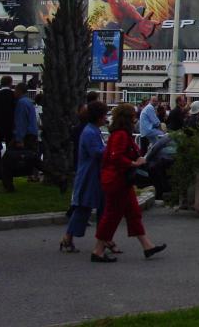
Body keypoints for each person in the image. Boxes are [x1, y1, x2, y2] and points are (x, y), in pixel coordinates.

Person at [92, 103, 166, 263]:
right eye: (133, 116)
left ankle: (147, 246)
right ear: (127, 119)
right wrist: (134, 163)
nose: (136, 119)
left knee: (132, 213)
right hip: (117, 180)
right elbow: (115, 157)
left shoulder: (119, 134)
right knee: (112, 215)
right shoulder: (121, 135)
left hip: (119, 179)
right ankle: (98, 250)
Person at [60, 101, 108, 253]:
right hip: (89, 175)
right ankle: (69, 237)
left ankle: (103, 239)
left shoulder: (93, 130)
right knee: (83, 207)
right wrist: (111, 150)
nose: (105, 118)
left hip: (95, 174)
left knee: (99, 207)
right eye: (104, 115)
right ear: (98, 117)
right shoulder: (90, 132)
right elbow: (96, 153)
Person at [1, 83, 41, 193]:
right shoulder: (29, 102)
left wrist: (19, 139)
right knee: (35, 160)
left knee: (6, 161)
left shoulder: (21, 103)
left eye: (15, 90)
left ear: (19, 91)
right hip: (32, 134)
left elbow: (20, 122)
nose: (14, 92)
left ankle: (9, 187)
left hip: (25, 136)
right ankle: (58, 176)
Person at [0, 76, 15, 183]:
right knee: (10, 149)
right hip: (10, 127)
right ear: (11, 83)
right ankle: (9, 171)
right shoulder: (13, 96)